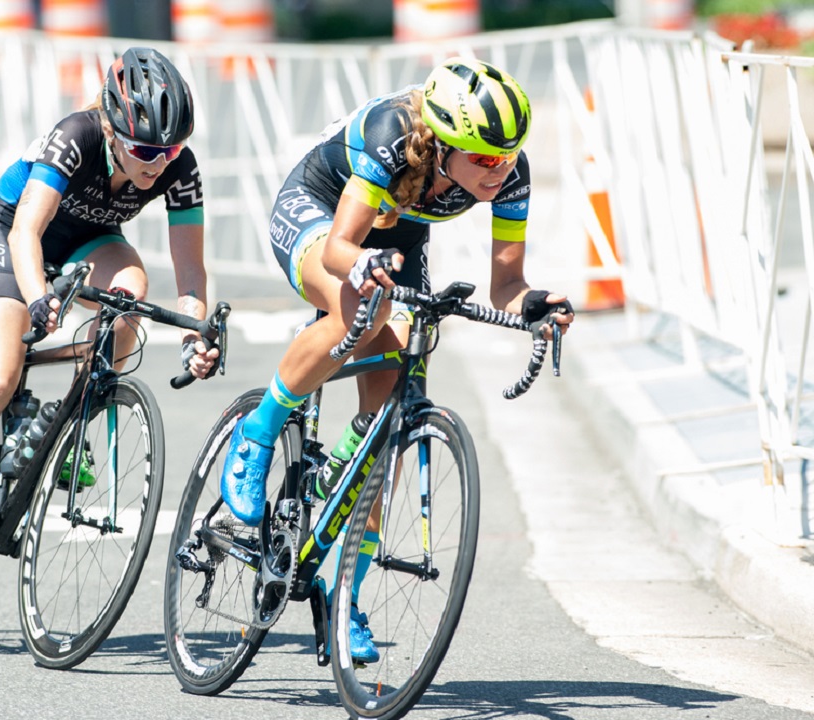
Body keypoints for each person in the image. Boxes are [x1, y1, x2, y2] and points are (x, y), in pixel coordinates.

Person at [219, 58, 575, 662]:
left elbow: (506, 283)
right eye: (487, 158)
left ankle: (345, 596)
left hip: (398, 243)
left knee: (392, 414)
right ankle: (257, 434)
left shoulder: (507, 171)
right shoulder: (392, 136)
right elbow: (339, 247)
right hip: (322, 216)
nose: (503, 167)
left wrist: (534, 304)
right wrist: (360, 270)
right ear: (443, 145)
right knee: (366, 308)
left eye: (511, 154)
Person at [0, 47, 219, 594]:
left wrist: (195, 332)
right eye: (145, 149)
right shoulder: (77, 135)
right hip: (11, 235)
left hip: (86, 242)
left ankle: (74, 417)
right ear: (115, 128)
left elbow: (191, 272)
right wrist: (41, 298)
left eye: (170, 151)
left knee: (129, 296)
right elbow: (26, 231)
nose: (157, 163)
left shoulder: (177, 168)